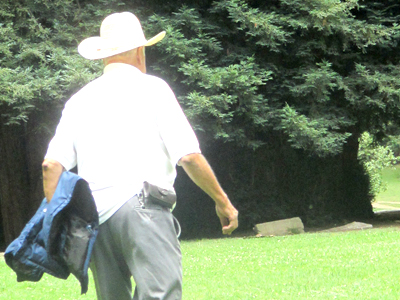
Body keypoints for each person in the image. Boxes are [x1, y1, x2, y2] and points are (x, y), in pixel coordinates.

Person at [42, 11, 238, 300]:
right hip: (145, 207)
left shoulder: (79, 100)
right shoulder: (153, 89)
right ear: (139, 50)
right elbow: (188, 156)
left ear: (103, 55)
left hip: (95, 219)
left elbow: (50, 166)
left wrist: (57, 222)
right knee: (161, 295)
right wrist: (223, 201)